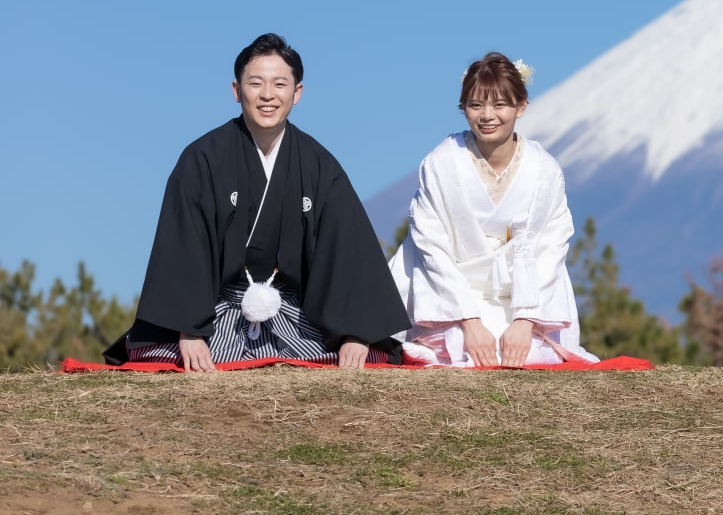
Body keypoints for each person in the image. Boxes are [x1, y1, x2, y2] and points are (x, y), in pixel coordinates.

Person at [105, 33, 410, 371]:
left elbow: (347, 247)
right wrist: (188, 328)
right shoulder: (202, 159)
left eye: (280, 84)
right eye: (255, 83)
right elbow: (183, 246)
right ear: (237, 91)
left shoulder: (319, 165)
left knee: (352, 353)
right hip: (217, 313)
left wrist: (356, 332)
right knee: (175, 354)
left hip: (293, 313)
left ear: (297, 93)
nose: (267, 95)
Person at [388, 52, 598, 367]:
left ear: (521, 106)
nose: (487, 116)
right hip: (450, 296)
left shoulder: (543, 170)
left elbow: (550, 247)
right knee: (458, 347)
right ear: (463, 109)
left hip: (523, 299)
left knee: (530, 352)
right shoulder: (442, 163)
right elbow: (430, 243)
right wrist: (469, 321)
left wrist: (525, 320)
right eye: (475, 105)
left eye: (500, 105)